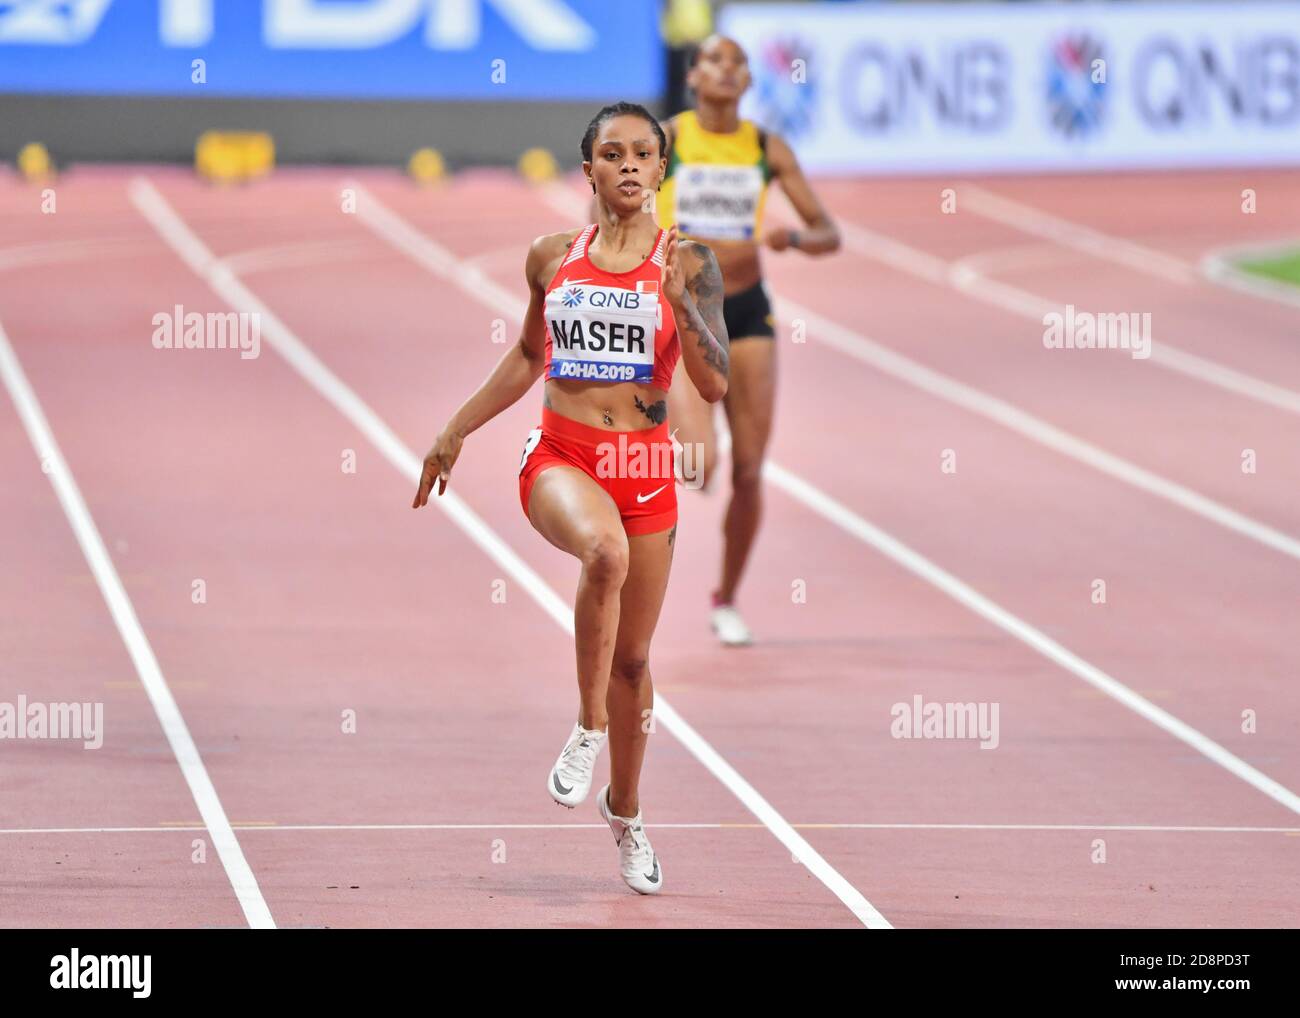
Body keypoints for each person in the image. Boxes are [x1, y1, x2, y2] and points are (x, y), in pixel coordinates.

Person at [412, 102, 729, 895]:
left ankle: (626, 811)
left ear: (662, 169)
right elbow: (529, 355)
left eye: (644, 153)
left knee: (635, 661)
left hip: (644, 467)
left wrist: (680, 303)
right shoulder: (552, 257)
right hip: (562, 455)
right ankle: (587, 727)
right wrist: (455, 428)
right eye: (612, 154)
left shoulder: (690, 260)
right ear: (588, 170)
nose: (629, 165)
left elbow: (715, 382)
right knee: (603, 552)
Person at [658, 34, 841, 646]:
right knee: (699, 462)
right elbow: (605, 214)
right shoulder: (667, 141)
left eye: (738, 62)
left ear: (748, 81)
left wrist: (795, 239)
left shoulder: (765, 148)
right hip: (684, 311)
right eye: (715, 60)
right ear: (693, 76)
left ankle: (727, 598)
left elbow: (828, 232)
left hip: (746, 308)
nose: (728, 69)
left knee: (750, 469)